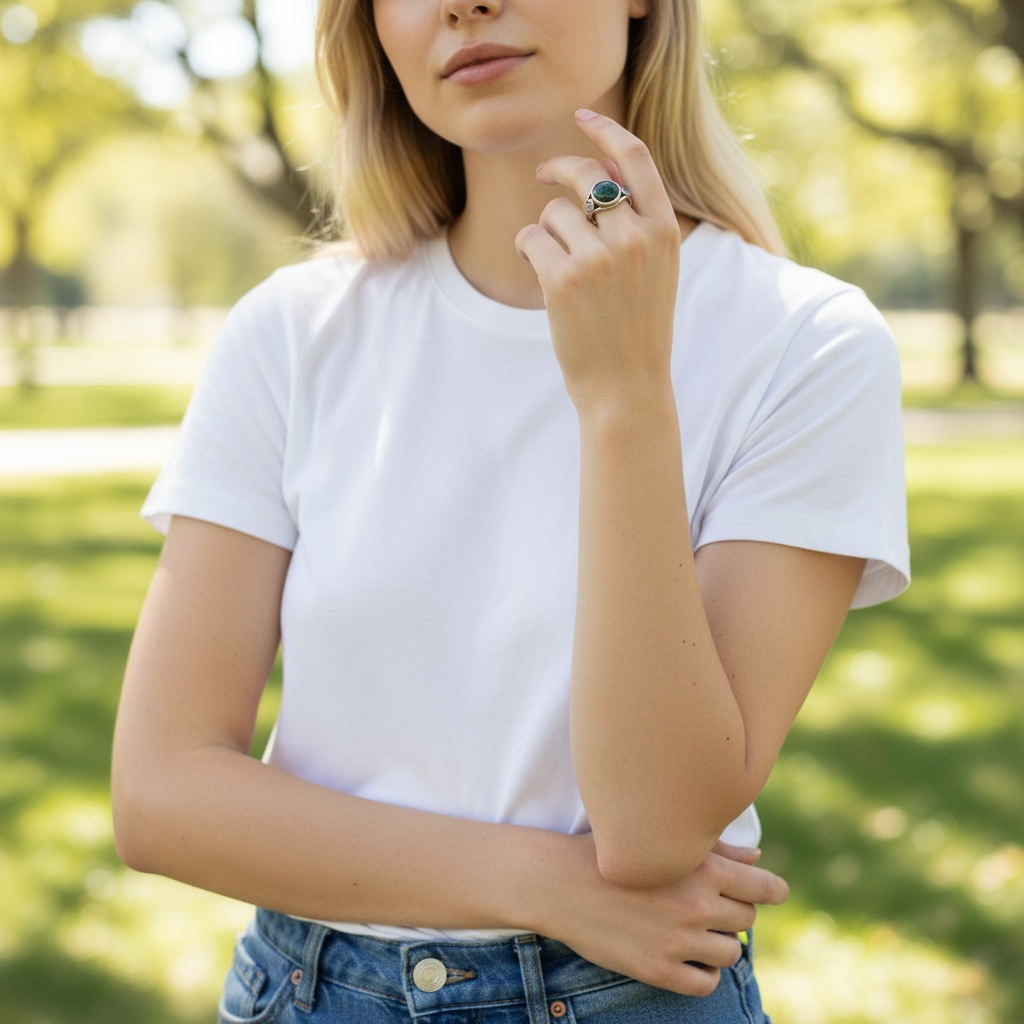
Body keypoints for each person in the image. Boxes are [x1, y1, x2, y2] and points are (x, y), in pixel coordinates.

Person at [111, 0, 910, 1020]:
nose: (463, 5)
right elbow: (161, 795)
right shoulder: (291, 334)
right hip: (308, 993)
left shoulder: (808, 344)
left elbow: (655, 830)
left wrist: (625, 400)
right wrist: (536, 884)